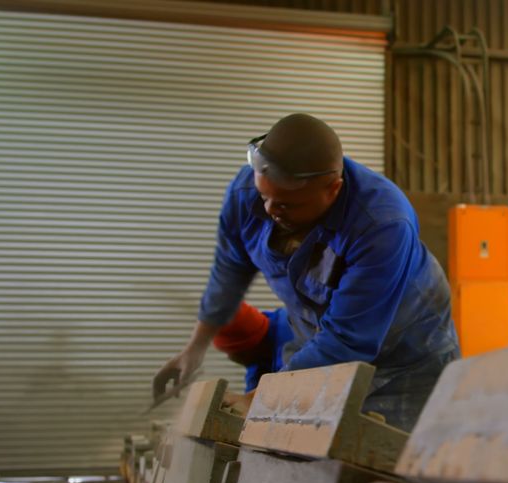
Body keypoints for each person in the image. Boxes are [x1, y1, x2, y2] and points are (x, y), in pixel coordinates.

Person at [153, 113, 460, 431]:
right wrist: (196, 347)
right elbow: (228, 272)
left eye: (286, 205)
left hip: (407, 362)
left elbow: (347, 340)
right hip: (321, 340)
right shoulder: (246, 192)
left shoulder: (382, 224)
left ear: (333, 189)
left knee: (396, 463)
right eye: (265, 196)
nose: (270, 210)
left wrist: (259, 399)